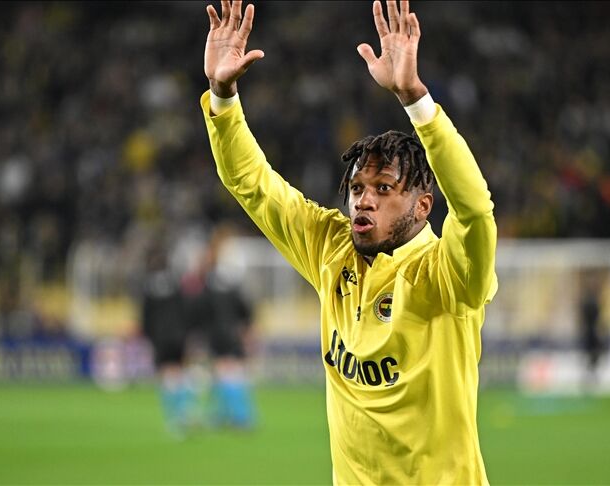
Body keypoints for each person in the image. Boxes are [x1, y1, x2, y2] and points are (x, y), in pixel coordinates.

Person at [201, 0, 497, 483]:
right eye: (357, 188)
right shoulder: (331, 248)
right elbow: (252, 184)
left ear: (423, 205)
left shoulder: (450, 275)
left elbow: (475, 209)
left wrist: (417, 100)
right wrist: (222, 96)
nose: (364, 201)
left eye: (384, 189)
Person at [182, 226, 256, 429]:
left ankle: (239, 416)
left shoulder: (208, 286)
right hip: (231, 333)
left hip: (218, 335)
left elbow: (198, 312)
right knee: (229, 373)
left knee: (225, 373)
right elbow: (245, 310)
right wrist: (246, 329)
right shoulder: (230, 284)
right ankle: (231, 414)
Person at [139, 238, 194, 438]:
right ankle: (184, 414)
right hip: (178, 335)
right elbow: (185, 310)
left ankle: (173, 420)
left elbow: (145, 316)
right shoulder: (175, 284)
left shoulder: (148, 287)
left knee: (166, 375)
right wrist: (186, 332)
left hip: (160, 337)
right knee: (179, 373)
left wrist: (148, 335)